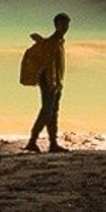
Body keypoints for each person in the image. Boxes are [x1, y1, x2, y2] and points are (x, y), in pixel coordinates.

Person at [23, 11, 70, 151]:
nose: (65, 27)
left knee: (53, 112)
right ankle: (32, 141)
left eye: (67, 25)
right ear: (56, 25)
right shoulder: (52, 43)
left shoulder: (59, 42)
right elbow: (50, 65)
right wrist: (53, 83)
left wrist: (58, 83)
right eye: (62, 24)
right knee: (47, 112)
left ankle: (53, 144)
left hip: (56, 82)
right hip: (50, 82)